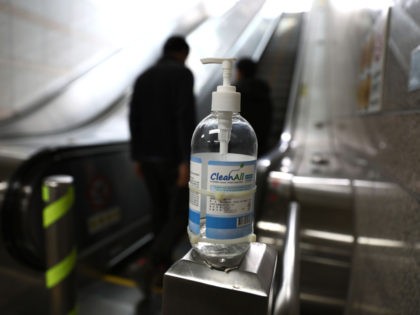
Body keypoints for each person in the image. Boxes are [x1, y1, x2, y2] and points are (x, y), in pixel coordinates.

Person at [128, 35, 196, 301]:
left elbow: (134, 117)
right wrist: (186, 161)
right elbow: (184, 116)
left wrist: (137, 156)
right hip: (171, 158)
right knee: (180, 214)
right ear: (182, 53)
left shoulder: (143, 76)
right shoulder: (182, 74)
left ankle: (160, 268)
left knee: (158, 212)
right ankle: (149, 264)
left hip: (146, 157)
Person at [235, 57, 273, 156]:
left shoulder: (235, 92)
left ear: (240, 72)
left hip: (239, 143)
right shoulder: (264, 91)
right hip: (260, 141)